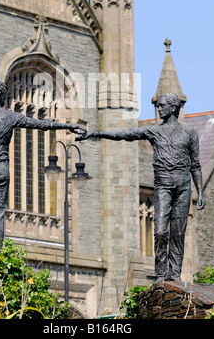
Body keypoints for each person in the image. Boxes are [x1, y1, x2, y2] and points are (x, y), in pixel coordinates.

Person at [77, 93, 206, 282]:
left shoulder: (190, 134)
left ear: (173, 108)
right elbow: (125, 135)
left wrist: (200, 191)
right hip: (163, 185)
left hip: (184, 187)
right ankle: (161, 274)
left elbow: (195, 165)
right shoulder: (154, 131)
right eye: (158, 106)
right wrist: (95, 133)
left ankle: (175, 274)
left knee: (178, 232)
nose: (158, 109)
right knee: (161, 231)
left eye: (162, 106)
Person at [0, 79, 86, 247]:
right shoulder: (10, 117)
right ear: (0, 94)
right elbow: (41, 124)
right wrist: (67, 126)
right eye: (5, 93)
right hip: (0, 172)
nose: (6, 95)